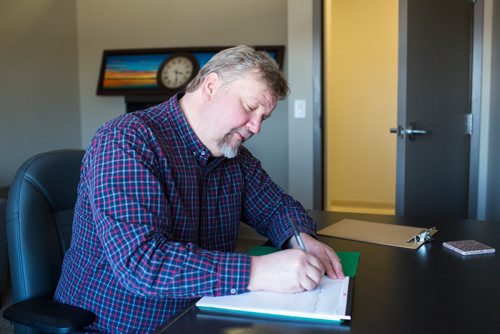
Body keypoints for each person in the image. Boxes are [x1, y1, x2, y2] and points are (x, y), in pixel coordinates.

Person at [55, 45, 344, 332]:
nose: (256, 127)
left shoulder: (234, 158)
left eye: (263, 117)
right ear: (211, 86)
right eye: (250, 107)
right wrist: (258, 271)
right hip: (118, 323)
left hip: (201, 311)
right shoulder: (126, 141)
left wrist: (301, 239)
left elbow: (277, 207)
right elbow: (142, 264)